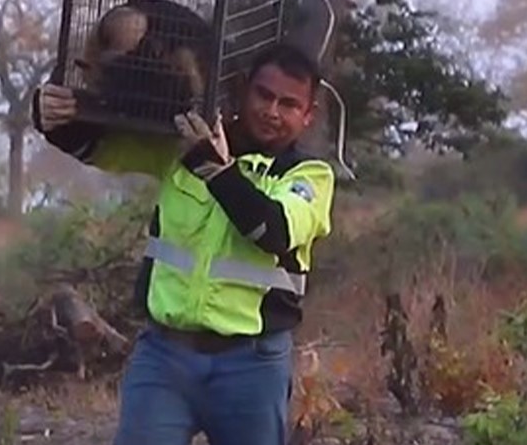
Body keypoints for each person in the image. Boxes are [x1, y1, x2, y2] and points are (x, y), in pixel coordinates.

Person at [31, 42, 336, 445]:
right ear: (243, 89)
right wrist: (52, 116)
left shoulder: (308, 176)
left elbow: (272, 230)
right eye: (264, 95)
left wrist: (214, 168)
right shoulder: (187, 144)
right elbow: (97, 146)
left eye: (289, 104)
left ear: (308, 116)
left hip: (253, 366)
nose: (272, 111)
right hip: (164, 357)